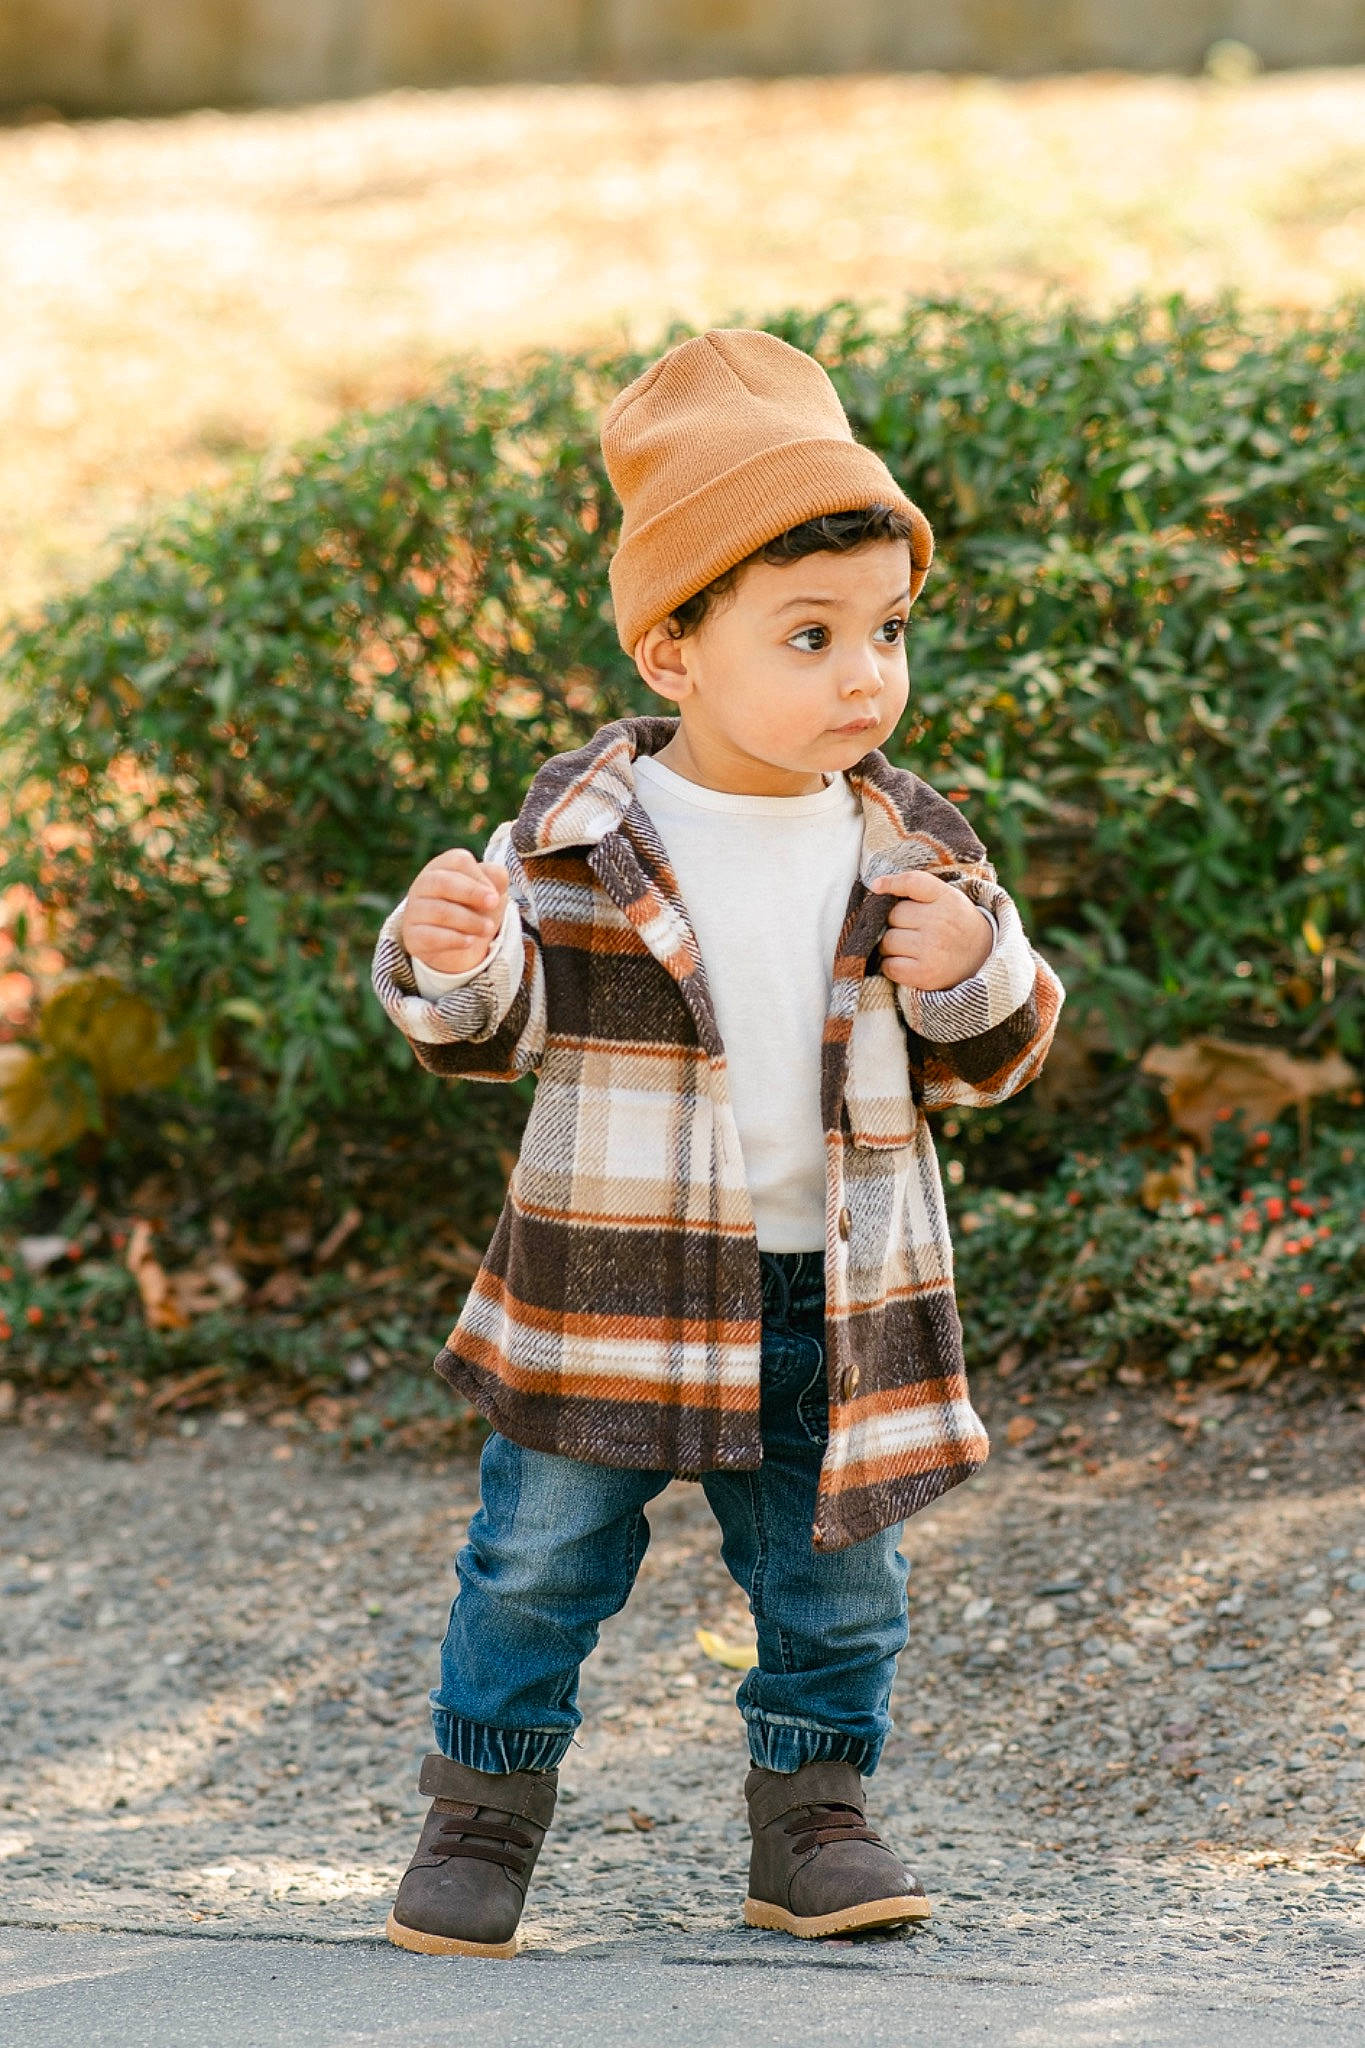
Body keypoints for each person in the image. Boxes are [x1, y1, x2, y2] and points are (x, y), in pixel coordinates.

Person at [370, 328, 1063, 1958]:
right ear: (672, 648)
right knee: (535, 1562)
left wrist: (970, 970)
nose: (862, 676)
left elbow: (995, 1054)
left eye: (886, 630)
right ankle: (480, 1819)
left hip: (833, 1297)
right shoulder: (576, 841)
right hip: (603, 1283)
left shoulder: (913, 851)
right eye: (808, 635)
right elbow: (485, 1031)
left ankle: (812, 1822)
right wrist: (450, 953)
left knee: (839, 1586)